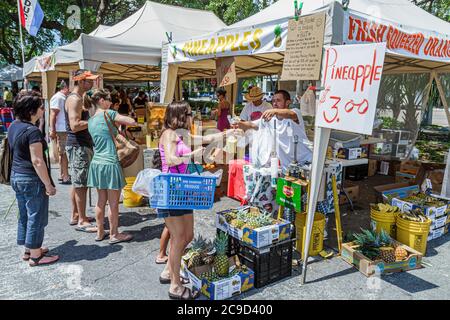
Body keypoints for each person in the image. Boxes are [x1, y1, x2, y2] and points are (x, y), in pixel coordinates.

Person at [158, 101, 241, 300]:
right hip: (171, 191)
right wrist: (192, 156)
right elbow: (170, 160)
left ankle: (169, 271)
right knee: (179, 238)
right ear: (179, 116)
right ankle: (175, 286)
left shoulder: (182, 135)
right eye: (188, 114)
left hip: (183, 192)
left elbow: (206, 137)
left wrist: (228, 133)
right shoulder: (169, 134)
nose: (191, 117)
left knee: (187, 236)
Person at [8, 91, 59, 266]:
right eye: (40, 107)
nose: (43, 110)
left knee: (25, 215)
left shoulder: (14, 125)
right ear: (31, 111)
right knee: (36, 216)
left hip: (16, 176)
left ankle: (29, 249)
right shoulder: (33, 132)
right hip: (31, 178)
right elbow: (37, 161)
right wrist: (48, 185)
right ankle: (36, 256)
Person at [85, 89, 136, 244]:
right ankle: (114, 234)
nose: (110, 102)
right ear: (101, 100)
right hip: (110, 163)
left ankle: (100, 232)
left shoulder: (91, 120)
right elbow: (131, 122)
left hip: (97, 163)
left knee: (100, 201)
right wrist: (129, 116)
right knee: (113, 203)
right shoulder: (109, 114)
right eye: (108, 99)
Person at [236, 90, 312, 171]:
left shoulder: (295, 112)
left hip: (305, 162)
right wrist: (238, 124)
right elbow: (252, 124)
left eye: (278, 100)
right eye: (273, 101)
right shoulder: (271, 119)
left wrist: (274, 111)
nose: (275, 103)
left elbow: (291, 114)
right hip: (288, 167)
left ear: (287, 102)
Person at [65, 70, 97, 230]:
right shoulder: (75, 99)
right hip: (78, 145)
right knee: (81, 184)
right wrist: (94, 119)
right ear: (81, 81)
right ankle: (82, 220)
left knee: (77, 182)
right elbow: (75, 125)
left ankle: (76, 215)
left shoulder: (79, 98)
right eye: (90, 81)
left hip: (80, 145)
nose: (92, 84)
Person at [49, 80, 71, 184]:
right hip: (62, 129)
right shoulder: (58, 97)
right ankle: (65, 176)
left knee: (63, 153)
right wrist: (52, 130)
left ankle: (63, 174)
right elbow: (53, 115)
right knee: (64, 153)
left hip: (63, 129)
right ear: (66, 87)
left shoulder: (62, 97)